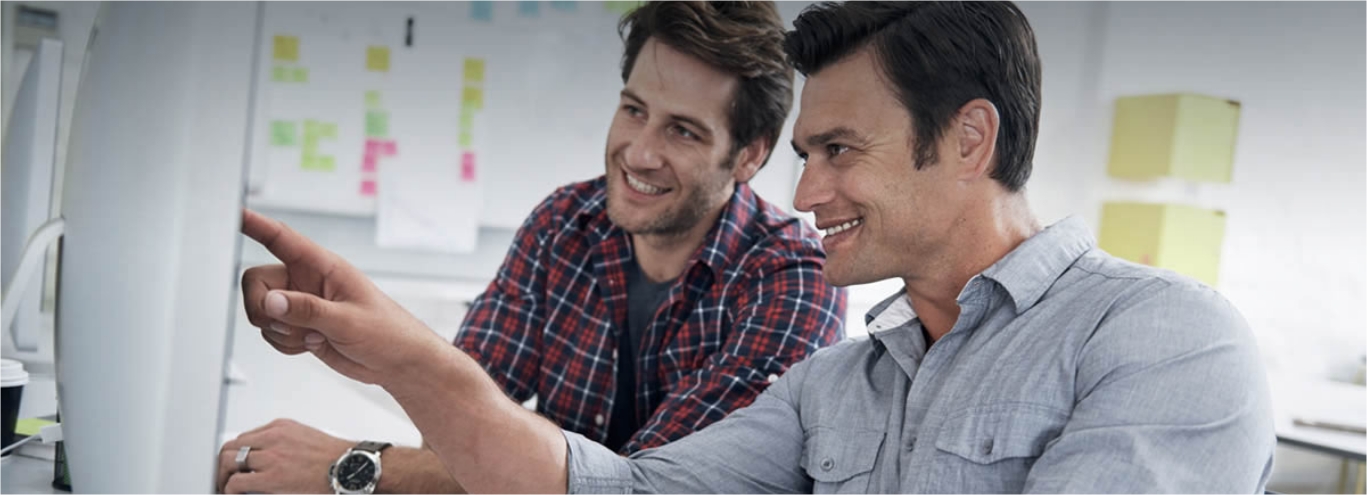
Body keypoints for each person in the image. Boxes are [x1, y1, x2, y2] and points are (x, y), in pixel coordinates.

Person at [230, 1, 1277, 493]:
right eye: (807, 155)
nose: (806, 193)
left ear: (966, 140)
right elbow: (615, 490)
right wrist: (390, 351)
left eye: (836, 153)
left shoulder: (1168, 341)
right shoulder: (838, 386)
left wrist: (360, 460)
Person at [216, 2, 847, 493]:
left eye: (682, 130)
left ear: (750, 154)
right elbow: (454, 431)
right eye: (633, 110)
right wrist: (366, 339)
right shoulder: (564, 224)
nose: (640, 153)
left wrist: (353, 468)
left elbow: (640, 487)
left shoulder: (793, 278)